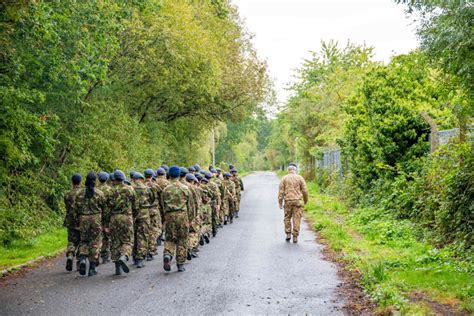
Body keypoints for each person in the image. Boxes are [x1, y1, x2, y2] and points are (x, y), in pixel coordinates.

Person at [76, 172, 106, 276]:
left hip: (83, 218)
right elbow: (104, 208)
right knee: (95, 242)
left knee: (84, 241)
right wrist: (104, 223)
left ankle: (83, 258)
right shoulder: (99, 193)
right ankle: (92, 267)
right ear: (95, 181)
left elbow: (76, 207)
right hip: (96, 219)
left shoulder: (79, 193)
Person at [162, 166, 191, 272]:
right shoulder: (185, 188)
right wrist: (190, 219)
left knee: (170, 238)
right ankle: (180, 264)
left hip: (169, 216)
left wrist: (164, 218)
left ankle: (168, 255)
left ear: (169, 175)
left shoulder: (166, 189)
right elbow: (191, 206)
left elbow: (162, 205)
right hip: (182, 216)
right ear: (179, 175)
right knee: (182, 239)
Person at [109, 170, 136, 275]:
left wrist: (106, 224)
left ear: (114, 179)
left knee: (115, 242)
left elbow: (107, 209)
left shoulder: (110, 191)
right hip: (126, 217)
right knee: (128, 241)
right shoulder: (129, 189)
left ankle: (117, 267)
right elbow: (135, 205)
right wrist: (134, 216)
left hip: (114, 218)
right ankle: (124, 256)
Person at [278, 165, 308, 243]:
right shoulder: (300, 178)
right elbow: (305, 191)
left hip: (288, 201)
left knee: (287, 218)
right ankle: (295, 236)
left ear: (288, 170)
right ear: (295, 170)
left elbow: (281, 192)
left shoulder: (284, 178)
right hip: (298, 202)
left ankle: (288, 234)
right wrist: (305, 201)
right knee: (297, 218)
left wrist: (280, 203)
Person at [131, 172, 154, 268]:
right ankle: (140, 258)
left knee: (134, 235)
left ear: (134, 179)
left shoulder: (130, 189)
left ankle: (134, 256)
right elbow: (152, 199)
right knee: (143, 235)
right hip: (144, 213)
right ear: (141, 179)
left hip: (132, 213)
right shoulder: (147, 189)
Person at [64, 173, 82, 272]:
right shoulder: (83, 193)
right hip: (81, 220)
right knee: (82, 241)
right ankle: (79, 262)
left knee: (71, 240)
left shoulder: (67, 194)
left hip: (70, 220)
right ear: (80, 182)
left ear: (72, 182)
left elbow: (67, 207)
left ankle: (70, 255)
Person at [144, 168, 161, 259]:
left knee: (144, 231)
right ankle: (151, 250)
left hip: (143, 211)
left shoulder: (141, 185)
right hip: (154, 211)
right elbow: (161, 196)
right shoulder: (155, 186)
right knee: (154, 230)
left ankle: (143, 250)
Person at [98, 171, 113, 264]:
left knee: (97, 234)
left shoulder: (95, 189)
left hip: (97, 214)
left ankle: (96, 253)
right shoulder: (109, 190)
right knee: (107, 235)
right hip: (107, 214)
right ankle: (105, 255)